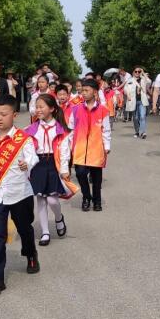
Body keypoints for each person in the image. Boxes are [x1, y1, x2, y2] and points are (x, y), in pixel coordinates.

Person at [0, 94, 41, 296]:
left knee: (24, 228)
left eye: (4, 114)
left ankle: (30, 254)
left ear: (14, 115)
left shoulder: (23, 139)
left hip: (20, 193)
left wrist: (27, 164)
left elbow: (33, 157)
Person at [25, 93, 76, 245]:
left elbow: (65, 151)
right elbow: (27, 151)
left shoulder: (61, 129)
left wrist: (65, 169)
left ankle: (59, 218)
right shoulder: (31, 129)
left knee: (53, 200)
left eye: (41, 107)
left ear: (52, 109)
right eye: (36, 107)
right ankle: (45, 232)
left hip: (54, 165)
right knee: (40, 200)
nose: (38, 110)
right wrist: (27, 166)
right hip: (38, 165)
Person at [68, 81, 111, 212]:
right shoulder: (76, 109)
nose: (84, 93)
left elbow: (106, 129)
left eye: (87, 90)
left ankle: (97, 201)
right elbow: (71, 129)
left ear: (95, 92)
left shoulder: (103, 110)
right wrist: (70, 145)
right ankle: (86, 197)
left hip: (96, 148)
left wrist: (107, 145)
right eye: (82, 90)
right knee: (80, 174)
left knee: (96, 178)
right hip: (80, 148)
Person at [125, 67, 151, 139]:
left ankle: (143, 132)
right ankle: (137, 131)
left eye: (139, 71)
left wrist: (143, 73)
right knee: (136, 118)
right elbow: (125, 88)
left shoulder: (143, 79)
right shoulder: (130, 80)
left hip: (142, 101)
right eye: (136, 71)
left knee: (142, 116)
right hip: (133, 101)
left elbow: (149, 82)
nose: (137, 73)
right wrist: (128, 95)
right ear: (133, 72)